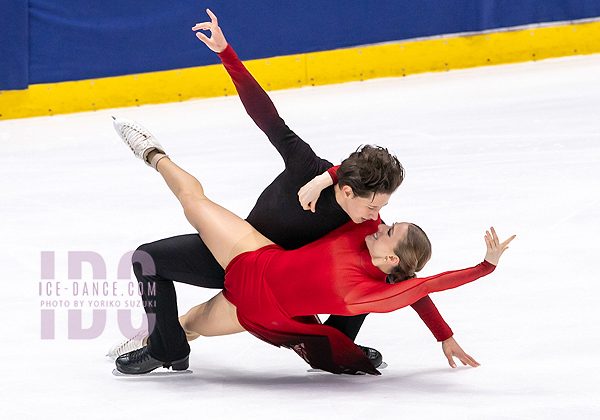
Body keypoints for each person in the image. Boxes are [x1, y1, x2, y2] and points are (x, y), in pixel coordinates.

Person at [109, 9, 482, 373]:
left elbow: (407, 277)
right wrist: (227, 53)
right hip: (239, 248)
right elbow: (267, 116)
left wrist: (443, 335)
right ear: (348, 190)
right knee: (148, 260)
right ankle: (164, 345)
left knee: (377, 275)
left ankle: (334, 345)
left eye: (383, 208)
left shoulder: (369, 227)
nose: (377, 216)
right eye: (373, 205)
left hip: (285, 292)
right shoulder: (308, 168)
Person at [111, 112, 514, 375]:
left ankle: (165, 342)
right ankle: (151, 151)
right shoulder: (356, 222)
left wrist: (482, 275)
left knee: (192, 323)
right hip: (252, 254)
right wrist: (330, 175)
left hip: (258, 309)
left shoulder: (371, 271)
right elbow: (273, 122)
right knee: (188, 208)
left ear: (391, 254)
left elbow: (417, 286)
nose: (379, 220)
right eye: (376, 209)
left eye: (387, 224)